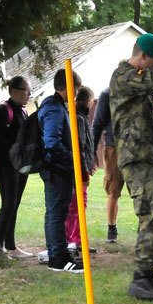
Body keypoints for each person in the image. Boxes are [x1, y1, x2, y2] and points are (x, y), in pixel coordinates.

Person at [109, 32, 153, 300]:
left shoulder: (138, 83)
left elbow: (151, 126)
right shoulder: (123, 77)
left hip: (148, 158)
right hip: (136, 159)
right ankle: (140, 278)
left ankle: (148, 275)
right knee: (151, 215)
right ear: (142, 57)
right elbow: (152, 82)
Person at [38, 68, 84, 273]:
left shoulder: (56, 106)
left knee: (55, 213)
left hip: (57, 168)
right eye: (76, 87)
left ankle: (57, 253)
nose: (77, 92)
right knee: (57, 214)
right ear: (68, 87)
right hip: (57, 170)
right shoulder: (54, 109)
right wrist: (71, 159)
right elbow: (52, 142)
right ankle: (58, 258)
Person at [0, 76, 33, 259]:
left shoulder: (22, 111)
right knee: (8, 204)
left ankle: (11, 246)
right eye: (26, 91)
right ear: (15, 91)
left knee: (14, 204)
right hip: (6, 166)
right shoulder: (2, 111)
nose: (29, 94)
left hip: (20, 166)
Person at [65, 85, 96, 255]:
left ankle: (78, 240)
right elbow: (80, 146)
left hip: (83, 168)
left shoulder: (81, 117)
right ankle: (72, 241)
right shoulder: (78, 118)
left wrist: (93, 161)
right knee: (75, 207)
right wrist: (84, 172)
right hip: (78, 171)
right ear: (89, 101)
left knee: (80, 206)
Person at [92, 87, 122, 243]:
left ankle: (143, 228)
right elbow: (97, 124)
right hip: (113, 148)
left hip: (135, 148)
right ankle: (112, 228)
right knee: (113, 190)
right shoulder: (106, 94)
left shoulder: (139, 89)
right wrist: (92, 153)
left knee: (140, 192)